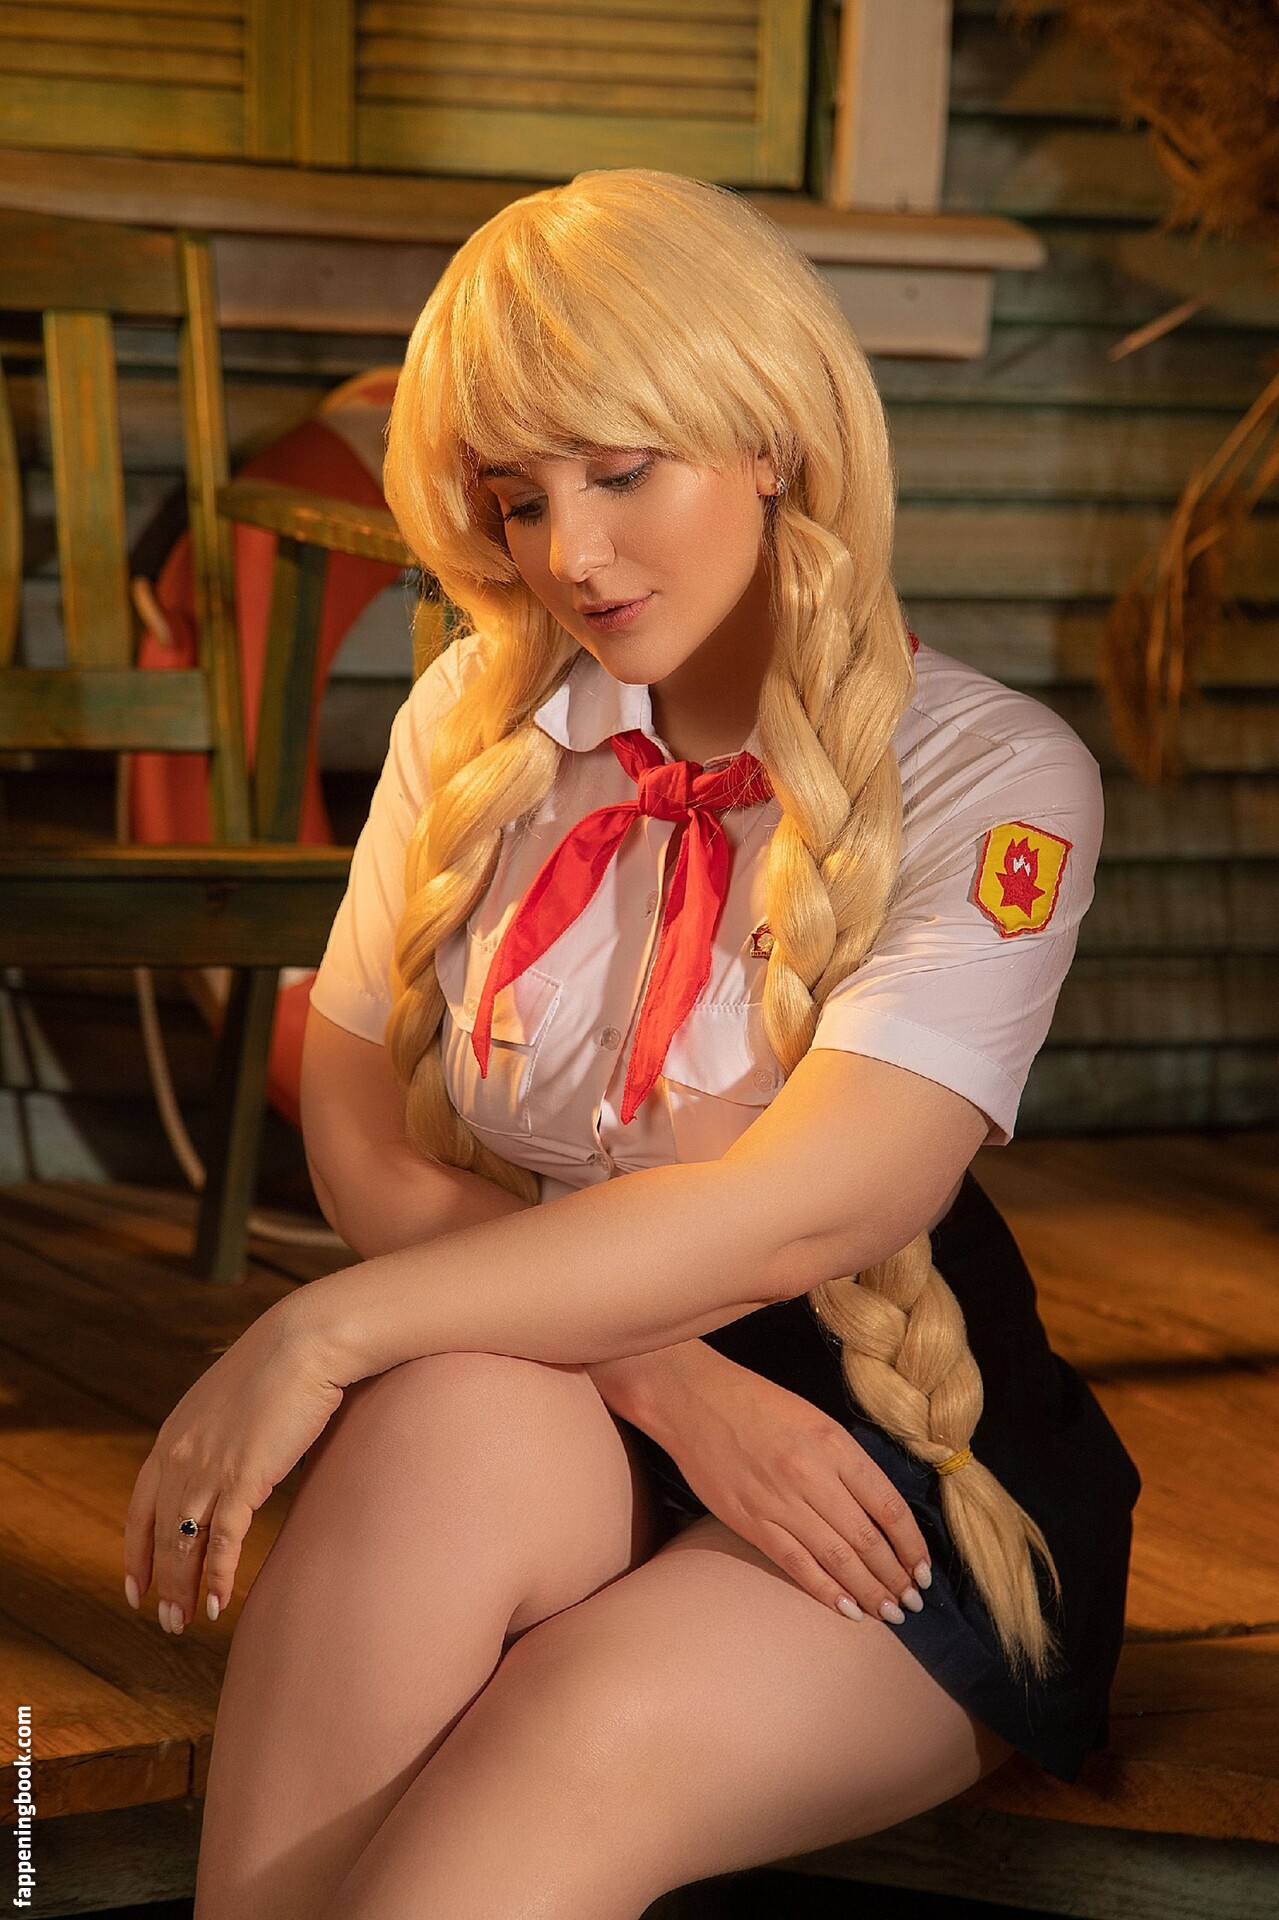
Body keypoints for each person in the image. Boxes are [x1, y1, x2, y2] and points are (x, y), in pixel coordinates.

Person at [124, 168, 1142, 1920]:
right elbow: (360, 1132)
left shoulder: (996, 776)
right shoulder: (470, 721)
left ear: (771, 435)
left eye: (619, 472)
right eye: (519, 502)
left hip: (890, 1437)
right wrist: (658, 1375)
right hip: (546, 1369)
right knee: (435, 1427)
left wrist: (314, 1329)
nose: (570, 557)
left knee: (554, 1740)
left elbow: (816, 1208)